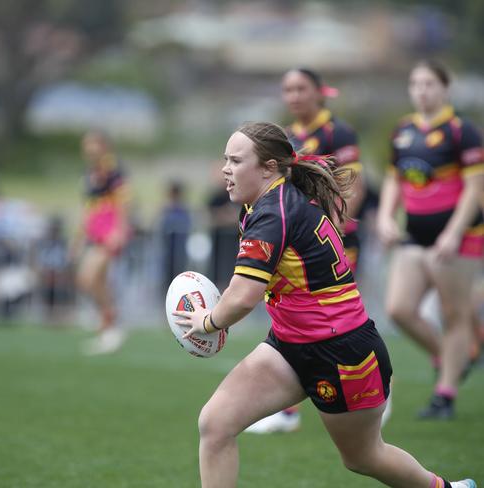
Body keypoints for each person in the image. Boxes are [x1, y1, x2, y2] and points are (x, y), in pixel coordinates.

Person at [172, 122, 476, 488]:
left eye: (236, 161)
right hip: (290, 344)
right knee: (216, 423)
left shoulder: (273, 212)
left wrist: (207, 323)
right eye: (225, 159)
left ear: (268, 168)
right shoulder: (270, 203)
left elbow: (242, 298)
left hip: (342, 352)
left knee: (364, 457)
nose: (225, 169)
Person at [246, 67, 368, 434]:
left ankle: (373, 385)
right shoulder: (288, 137)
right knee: (292, 314)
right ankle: (287, 412)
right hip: (296, 245)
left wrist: (334, 231)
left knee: (340, 318)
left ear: (320, 92)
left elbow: (353, 186)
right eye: (288, 89)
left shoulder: (338, 132)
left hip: (331, 242)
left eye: (301, 88)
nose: (294, 96)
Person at [377, 60, 484, 419]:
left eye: (429, 84)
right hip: (415, 234)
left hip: (460, 237)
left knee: (454, 313)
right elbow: (395, 179)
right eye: (415, 83)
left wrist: (454, 233)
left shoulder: (461, 131)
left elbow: (474, 188)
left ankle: (445, 394)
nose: (422, 90)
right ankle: (451, 356)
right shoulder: (403, 130)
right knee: (399, 309)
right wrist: (385, 216)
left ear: (444, 88)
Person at [74, 130, 131, 355]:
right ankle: (109, 323)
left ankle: (110, 322)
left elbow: (124, 201)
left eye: (93, 144)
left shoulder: (112, 169)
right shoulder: (89, 173)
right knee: (91, 280)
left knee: (89, 277)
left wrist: (120, 229)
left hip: (109, 234)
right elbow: (87, 209)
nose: (89, 149)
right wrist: (78, 239)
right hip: (96, 234)